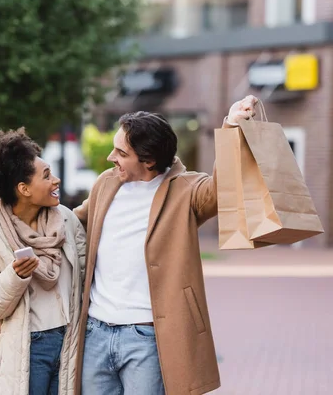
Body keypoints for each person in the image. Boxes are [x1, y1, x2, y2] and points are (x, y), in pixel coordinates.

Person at [73, 95, 258, 395]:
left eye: (121, 152)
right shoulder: (105, 184)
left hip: (147, 337)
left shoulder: (187, 191)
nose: (111, 158)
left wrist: (232, 126)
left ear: (148, 160)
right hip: (96, 332)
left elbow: (223, 186)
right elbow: (71, 225)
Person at [0, 128, 86, 395]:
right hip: (28, 348)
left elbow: (86, 276)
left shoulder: (67, 220)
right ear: (24, 189)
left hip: (71, 341)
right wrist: (15, 276)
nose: (55, 181)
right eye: (46, 176)